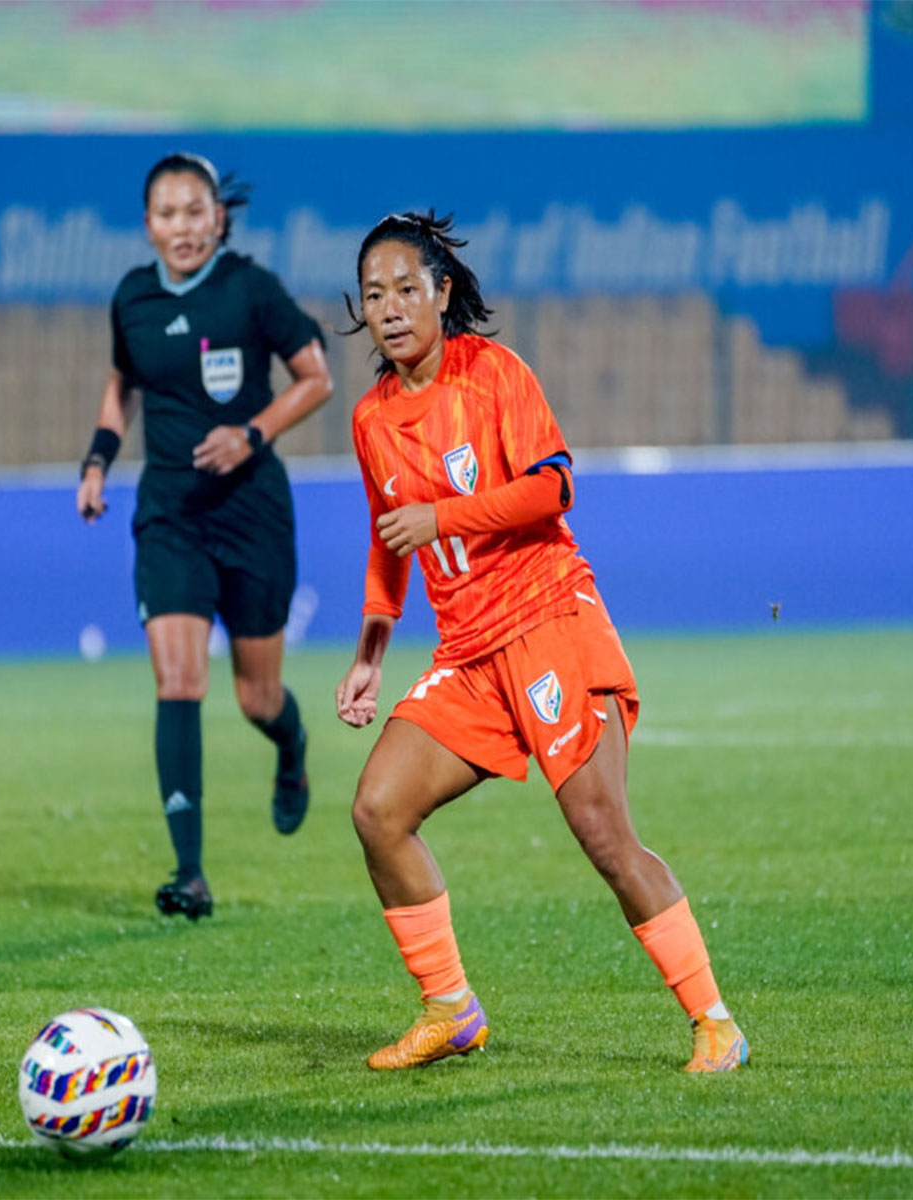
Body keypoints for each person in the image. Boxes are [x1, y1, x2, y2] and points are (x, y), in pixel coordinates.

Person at [335, 212, 748, 1073]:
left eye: (407, 289)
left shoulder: (494, 375)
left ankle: (714, 1021)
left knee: (600, 827)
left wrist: (442, 514)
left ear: (443, 294)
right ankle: (450, 1009)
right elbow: (388, 541)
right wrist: (371, 654)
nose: (391, 308)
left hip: (549, 620)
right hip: (470, 655)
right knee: (377, 809)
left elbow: (553, 487)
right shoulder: (372, 420)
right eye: (374, 295)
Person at [76, 153, 333, 921]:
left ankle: (291, 749)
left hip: (252, 516)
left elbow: (315, 376)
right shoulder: (133, 297)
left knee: (256, 697)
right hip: (170, 518)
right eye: (167, 213)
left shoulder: (250, 289)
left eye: (196, 212)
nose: (182, 227)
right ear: (148, 224)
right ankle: (189, 873)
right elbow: (123, 382)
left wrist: (250, 434)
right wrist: (97, 458)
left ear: (218, 217)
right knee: (178, 679)